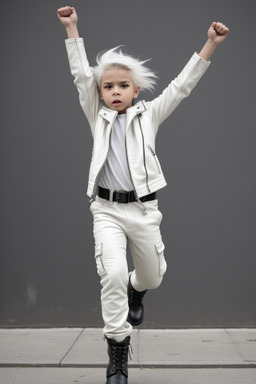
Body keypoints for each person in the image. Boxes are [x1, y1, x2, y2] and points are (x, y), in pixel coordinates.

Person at [57, 6, 229, 384]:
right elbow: (79, 75)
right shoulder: (95, 114)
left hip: (143, 211)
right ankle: (118, 349)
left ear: (135, 91)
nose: (114, 91)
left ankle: (138, 291)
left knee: (151, 277)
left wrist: (210, 44)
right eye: (107, 86)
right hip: (104, 209)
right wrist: (72, 28)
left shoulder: (149, 115)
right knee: (113, 273)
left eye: (122, 86)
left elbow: (182, 86)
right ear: (99, 93)